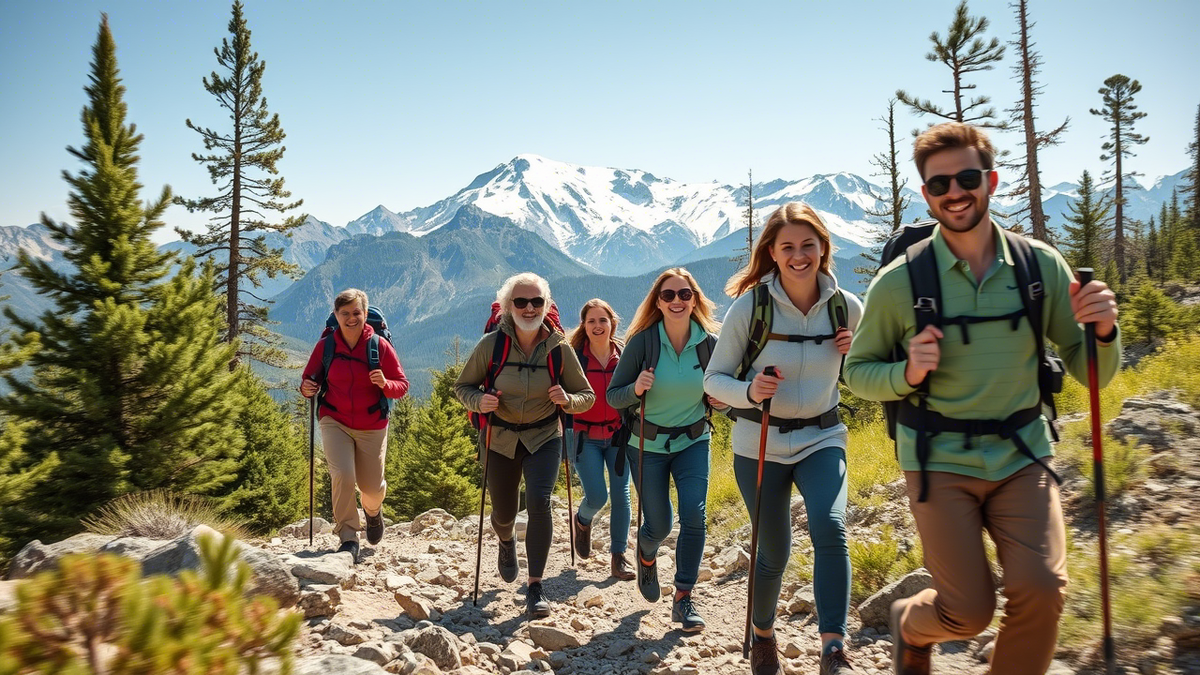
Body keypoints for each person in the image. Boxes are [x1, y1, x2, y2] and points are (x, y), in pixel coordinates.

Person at [843, 122, 1120, 675]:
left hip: (1022, 454)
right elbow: (858, 373)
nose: (955, 192)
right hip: (937, 459)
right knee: (967, 612)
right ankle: (908, 623)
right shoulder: (899, 283)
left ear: (990, 180)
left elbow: (1093, 374)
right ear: (926, 194)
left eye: (967, 177)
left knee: (1042, 590)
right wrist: (908, 373)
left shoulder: (1039, 267)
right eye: (940, 184)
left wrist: (1105, 332)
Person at [704, 202, 862, 674]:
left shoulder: (847, 308)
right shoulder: (751, 307)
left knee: (830, 528)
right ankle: (763, 631)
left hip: (823, 437)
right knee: (774, 551)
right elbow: (714, 380)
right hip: (759, 444)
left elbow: (866, 376)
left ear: (823, 249)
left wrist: (854, 357)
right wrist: (750, 391)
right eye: (787, 246)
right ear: (772, 252)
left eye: (807, 245)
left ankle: (833, 646)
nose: (798, 255)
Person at [454, 272, 595, 618]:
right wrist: (479, 402)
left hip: (544, 436)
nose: (529, 308)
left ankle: (535, 586)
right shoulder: (492, 345)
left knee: (539, 502)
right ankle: (506, 540)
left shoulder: (559, 349)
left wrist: (568, 400)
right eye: (521, 302)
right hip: (499, 438)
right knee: (503, 513)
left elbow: (587, 395)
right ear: (507, 307)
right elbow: (463, 387)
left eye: (536, 302)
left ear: (546, 306)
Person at [607, 267, 726, 633]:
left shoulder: (709, 344)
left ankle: (684, 597)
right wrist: (636, 390)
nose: (677, 301)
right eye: (669, 295)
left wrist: (722, 402)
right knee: (660, 524)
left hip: (693, 441)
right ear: (657, 302)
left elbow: (726, 395)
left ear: (695, 300)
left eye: (684, 294)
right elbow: (614, 396)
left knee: (695, 515)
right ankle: (646, 555)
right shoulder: (643, 342)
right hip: (646, 445)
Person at [301, 288, 409, 562]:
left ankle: (372, 512)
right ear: (336, 316)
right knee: (343, 476)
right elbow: (308, 380)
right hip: (334, 419)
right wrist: (307, 387)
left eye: (356, 313)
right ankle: (348, 537)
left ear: (365, 314)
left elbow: (402, 386)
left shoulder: (379, 347)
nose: (351, 318)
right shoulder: (326, 346)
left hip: (371, 423)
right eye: (345, 313)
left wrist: (385, 384)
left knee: (371, 488)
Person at [566, 299, 636, 581]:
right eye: (591, 321)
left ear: (612, 324)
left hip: (619, 435)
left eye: (602, 320)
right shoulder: (574, 358)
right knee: (597, 496)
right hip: (585, 437)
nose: (597, 326)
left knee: (622, 495)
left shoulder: (625, 356)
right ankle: (582, 521)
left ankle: (618, 556)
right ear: (584, 325)